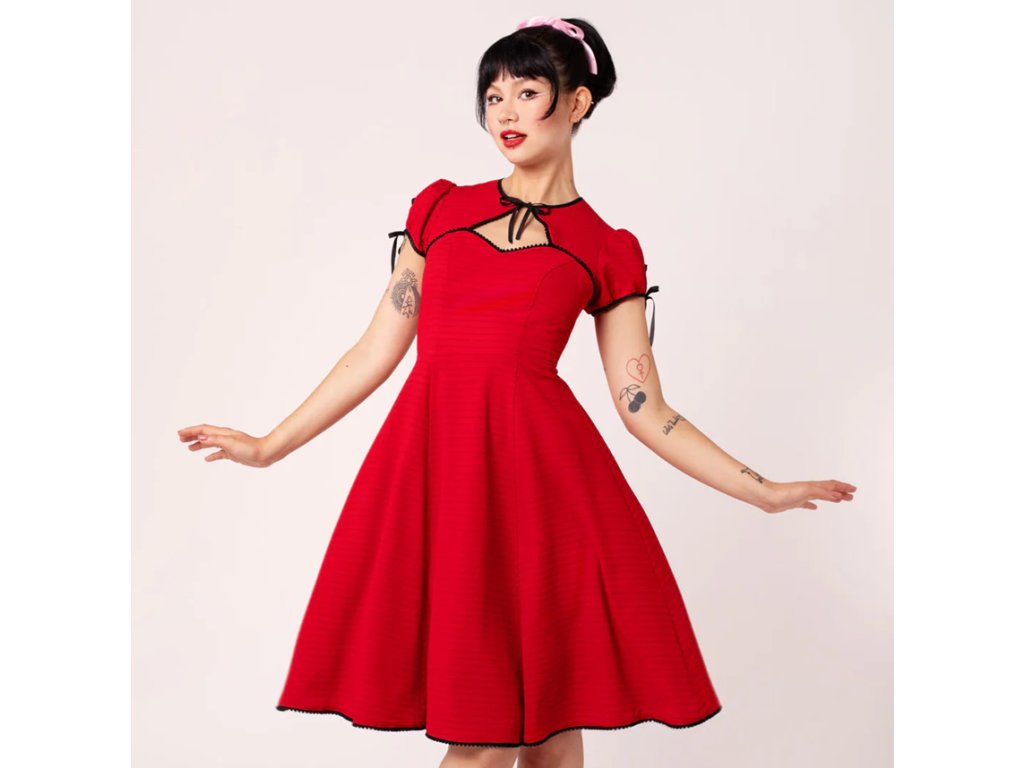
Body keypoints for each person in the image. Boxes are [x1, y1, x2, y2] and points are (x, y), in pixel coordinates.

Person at [177, 15, 857, 768]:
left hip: (541, 490)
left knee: (551, 732)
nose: (504, 111)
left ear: (577, 102)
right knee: (486, 737)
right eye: (493, 95)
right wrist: (269, 446)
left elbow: (646, 410)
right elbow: (374, 350)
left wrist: (762, 491)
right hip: (441, 476)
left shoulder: (606, 248)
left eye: (527, 92)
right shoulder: (441, 210)